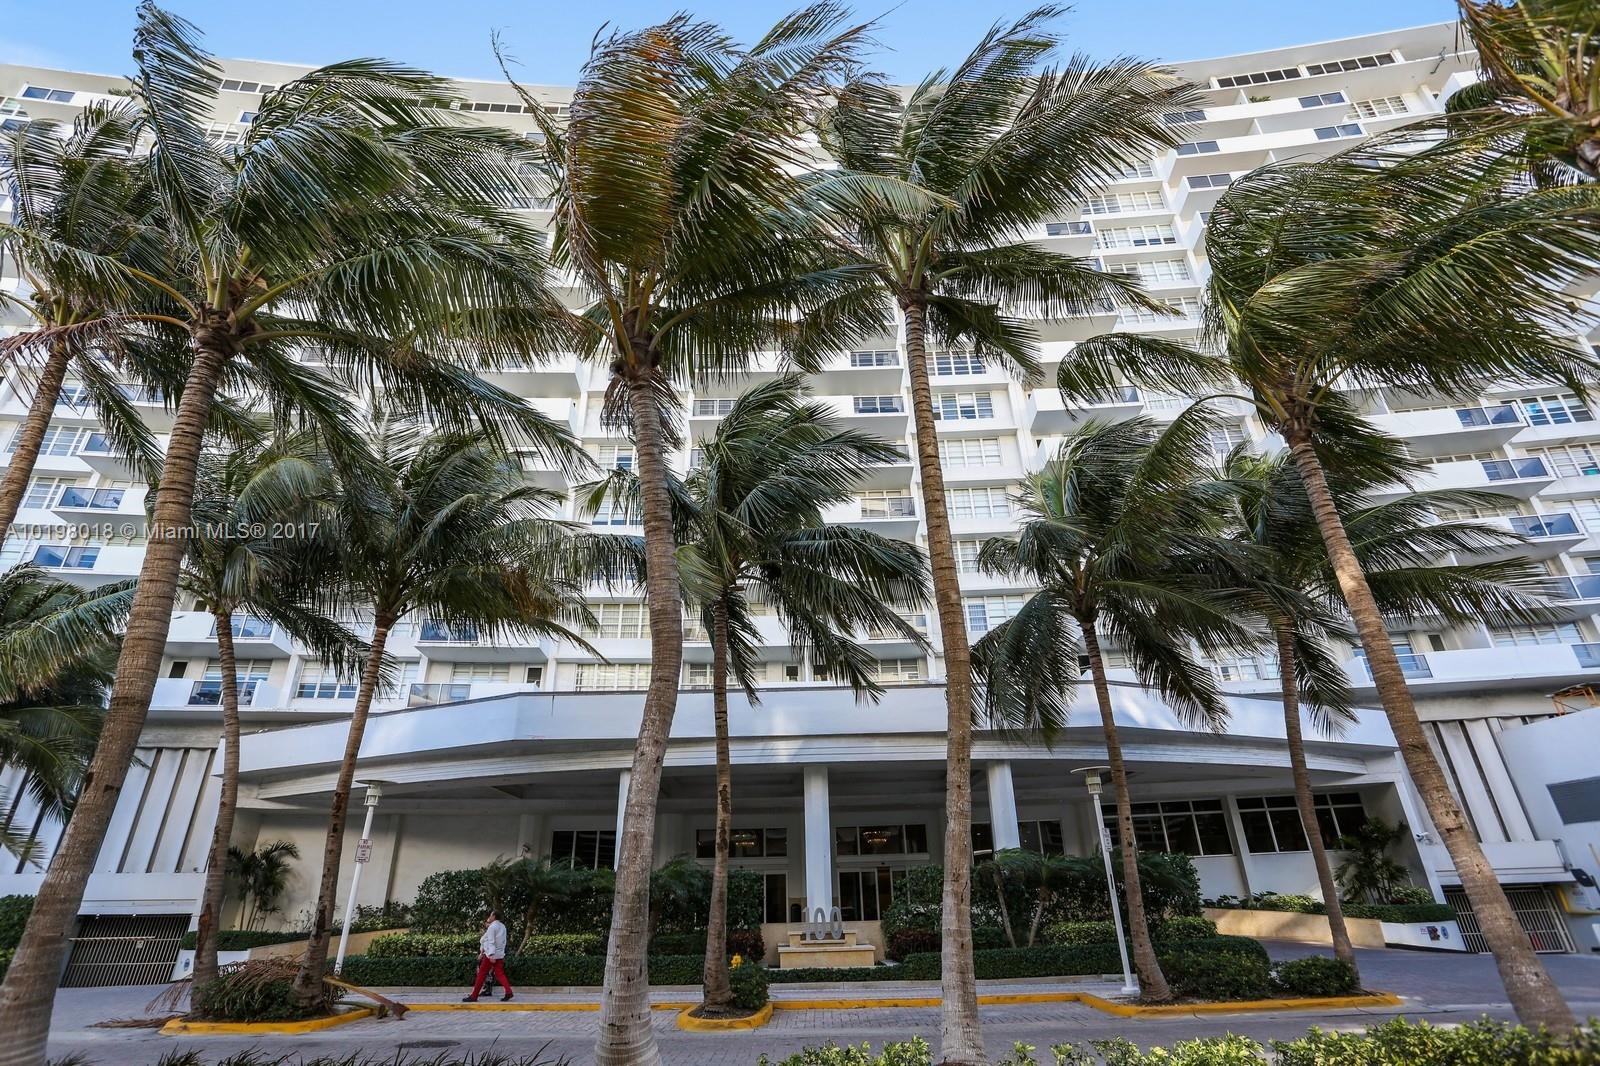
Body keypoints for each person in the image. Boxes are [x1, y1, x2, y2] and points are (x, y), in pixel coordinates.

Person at [462, 909, 514, 1002]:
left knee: (481, 974)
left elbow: (491, 942)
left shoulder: (492, 927)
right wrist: (500, 953)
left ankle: (474, 996)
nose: (489, 917)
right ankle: (508, 992)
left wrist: (491, 955)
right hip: (499, 954)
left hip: (490, 954)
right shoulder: (502, 926)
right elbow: (503, 942)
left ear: (494, 916)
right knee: (499, 974)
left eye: (490, 915)